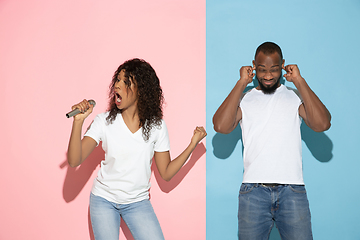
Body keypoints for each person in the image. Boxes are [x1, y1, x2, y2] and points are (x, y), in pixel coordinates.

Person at [67, 58, 207, 240]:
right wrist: (78, 122)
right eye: (117, 80)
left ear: (140, 90)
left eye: (125, 82)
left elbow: (166, 173)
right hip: (104, 200)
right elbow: (74, 160)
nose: (117, 85)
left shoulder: (157, 126)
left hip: (137, 202)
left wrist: (192, 145)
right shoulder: (104, 121)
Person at [212, 42, 331, 240]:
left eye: (274, 70)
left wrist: (299, 81)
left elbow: (322, 124)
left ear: (283, 66)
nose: (268, 76)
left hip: (292, 190)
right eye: (262, 69)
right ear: (253, 66)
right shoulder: (245, 98)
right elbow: (221, 127)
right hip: (253, 192)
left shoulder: (294, 97)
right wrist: (241, 83)